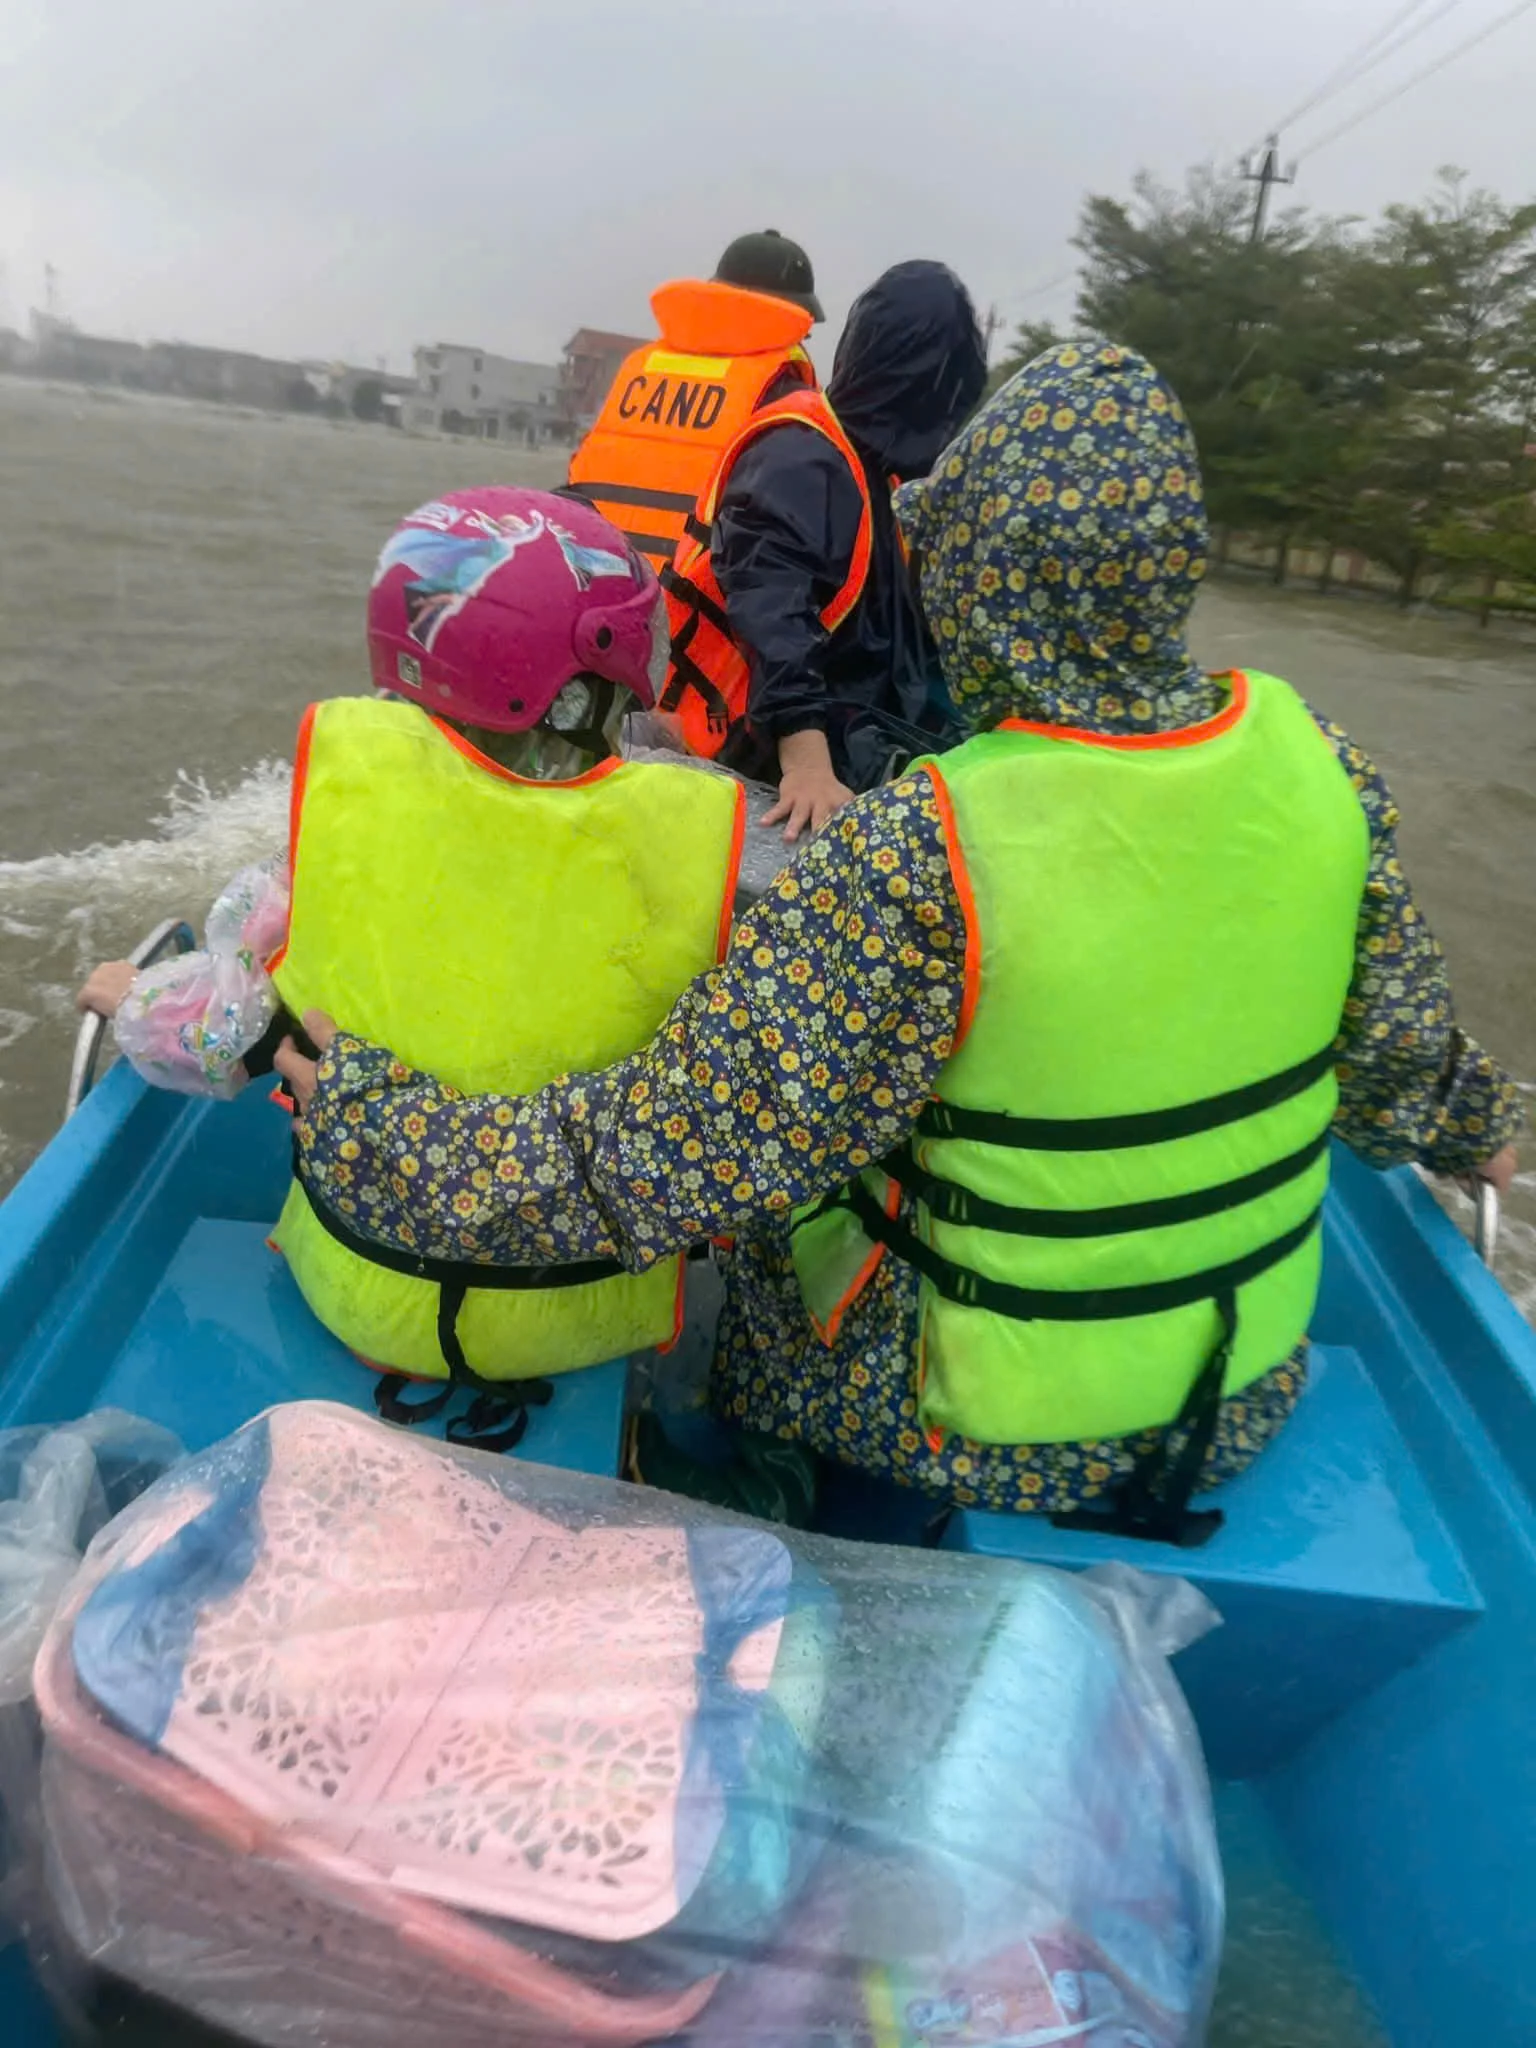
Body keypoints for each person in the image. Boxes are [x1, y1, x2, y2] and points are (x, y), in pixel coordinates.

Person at [275, 345, 1522, 1533]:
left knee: (772, 1225)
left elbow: (668, 1157)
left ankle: (765, 1477)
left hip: (974, 1425)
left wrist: (382, 1126)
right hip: (1237, 1388)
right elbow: (1402, 1065)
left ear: (979, 580)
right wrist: (1478, 1126)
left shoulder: (924, 847)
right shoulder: (1322, 767)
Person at [78, 487, 745, 1445]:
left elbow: (217, 1030)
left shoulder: (338, 831)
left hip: (360, 1298)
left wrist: (131, 997)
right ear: (587, 688)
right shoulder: (682, 848)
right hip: (580, 1318)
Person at [661, 261, 988, 841]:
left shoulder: (873, 468)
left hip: (844, 726)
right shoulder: (798, 457)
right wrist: (807, 763)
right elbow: (771, 611)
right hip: (736, 755)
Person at [566, 229, 824, 574]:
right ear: (791, 317)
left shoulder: (640, 368)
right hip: (689, 597)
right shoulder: (785, 395)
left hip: (598, 579)